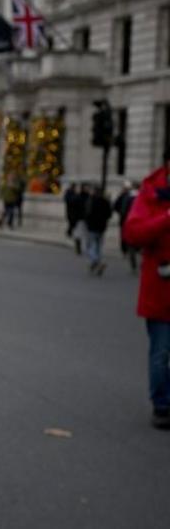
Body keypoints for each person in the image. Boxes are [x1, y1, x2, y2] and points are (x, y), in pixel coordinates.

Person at [121, 146, 170, 429]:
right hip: (162, 288)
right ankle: (162, 405)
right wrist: (167, 218)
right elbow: (133, 233)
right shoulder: (151, 193)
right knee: (161, 352)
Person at [83, 184, 112, 276]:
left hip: (92, 226)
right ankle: (96, 263)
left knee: (90, 246)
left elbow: (87, 213)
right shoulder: (105, 201)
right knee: (98, 247)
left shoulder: (91, 201)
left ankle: (97, 262)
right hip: (101, 227)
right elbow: (109, 214)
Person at [115, 180, 139, 274]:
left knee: (129, 241)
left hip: (128, 222)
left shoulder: (127, 197)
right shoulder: (142, 196)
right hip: (137, 222)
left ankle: (129, 256)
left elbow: (121, 209)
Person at [64, 183, 85, 254]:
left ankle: (70, 233)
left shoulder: (80, 195)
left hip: (79, 217)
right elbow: (71, 202)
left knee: (77, 232)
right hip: (74, 217)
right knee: (77, 231)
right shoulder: (70, 195)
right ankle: (77, 246)